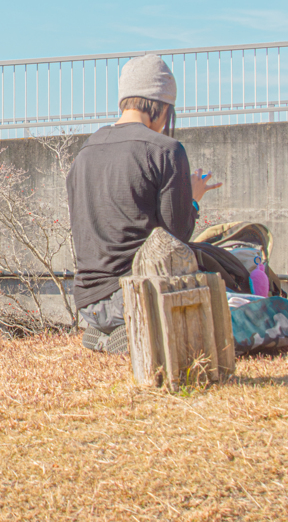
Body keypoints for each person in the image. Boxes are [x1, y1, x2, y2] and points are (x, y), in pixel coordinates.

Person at [65, 54, 222, 353]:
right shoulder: (165, 150)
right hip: (136, 293)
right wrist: (193, 199)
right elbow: (175, 240)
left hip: (87, 299)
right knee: (221, 268)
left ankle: (103, 332)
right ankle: (135, 327)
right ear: (162, 106)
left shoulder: (86, 151)